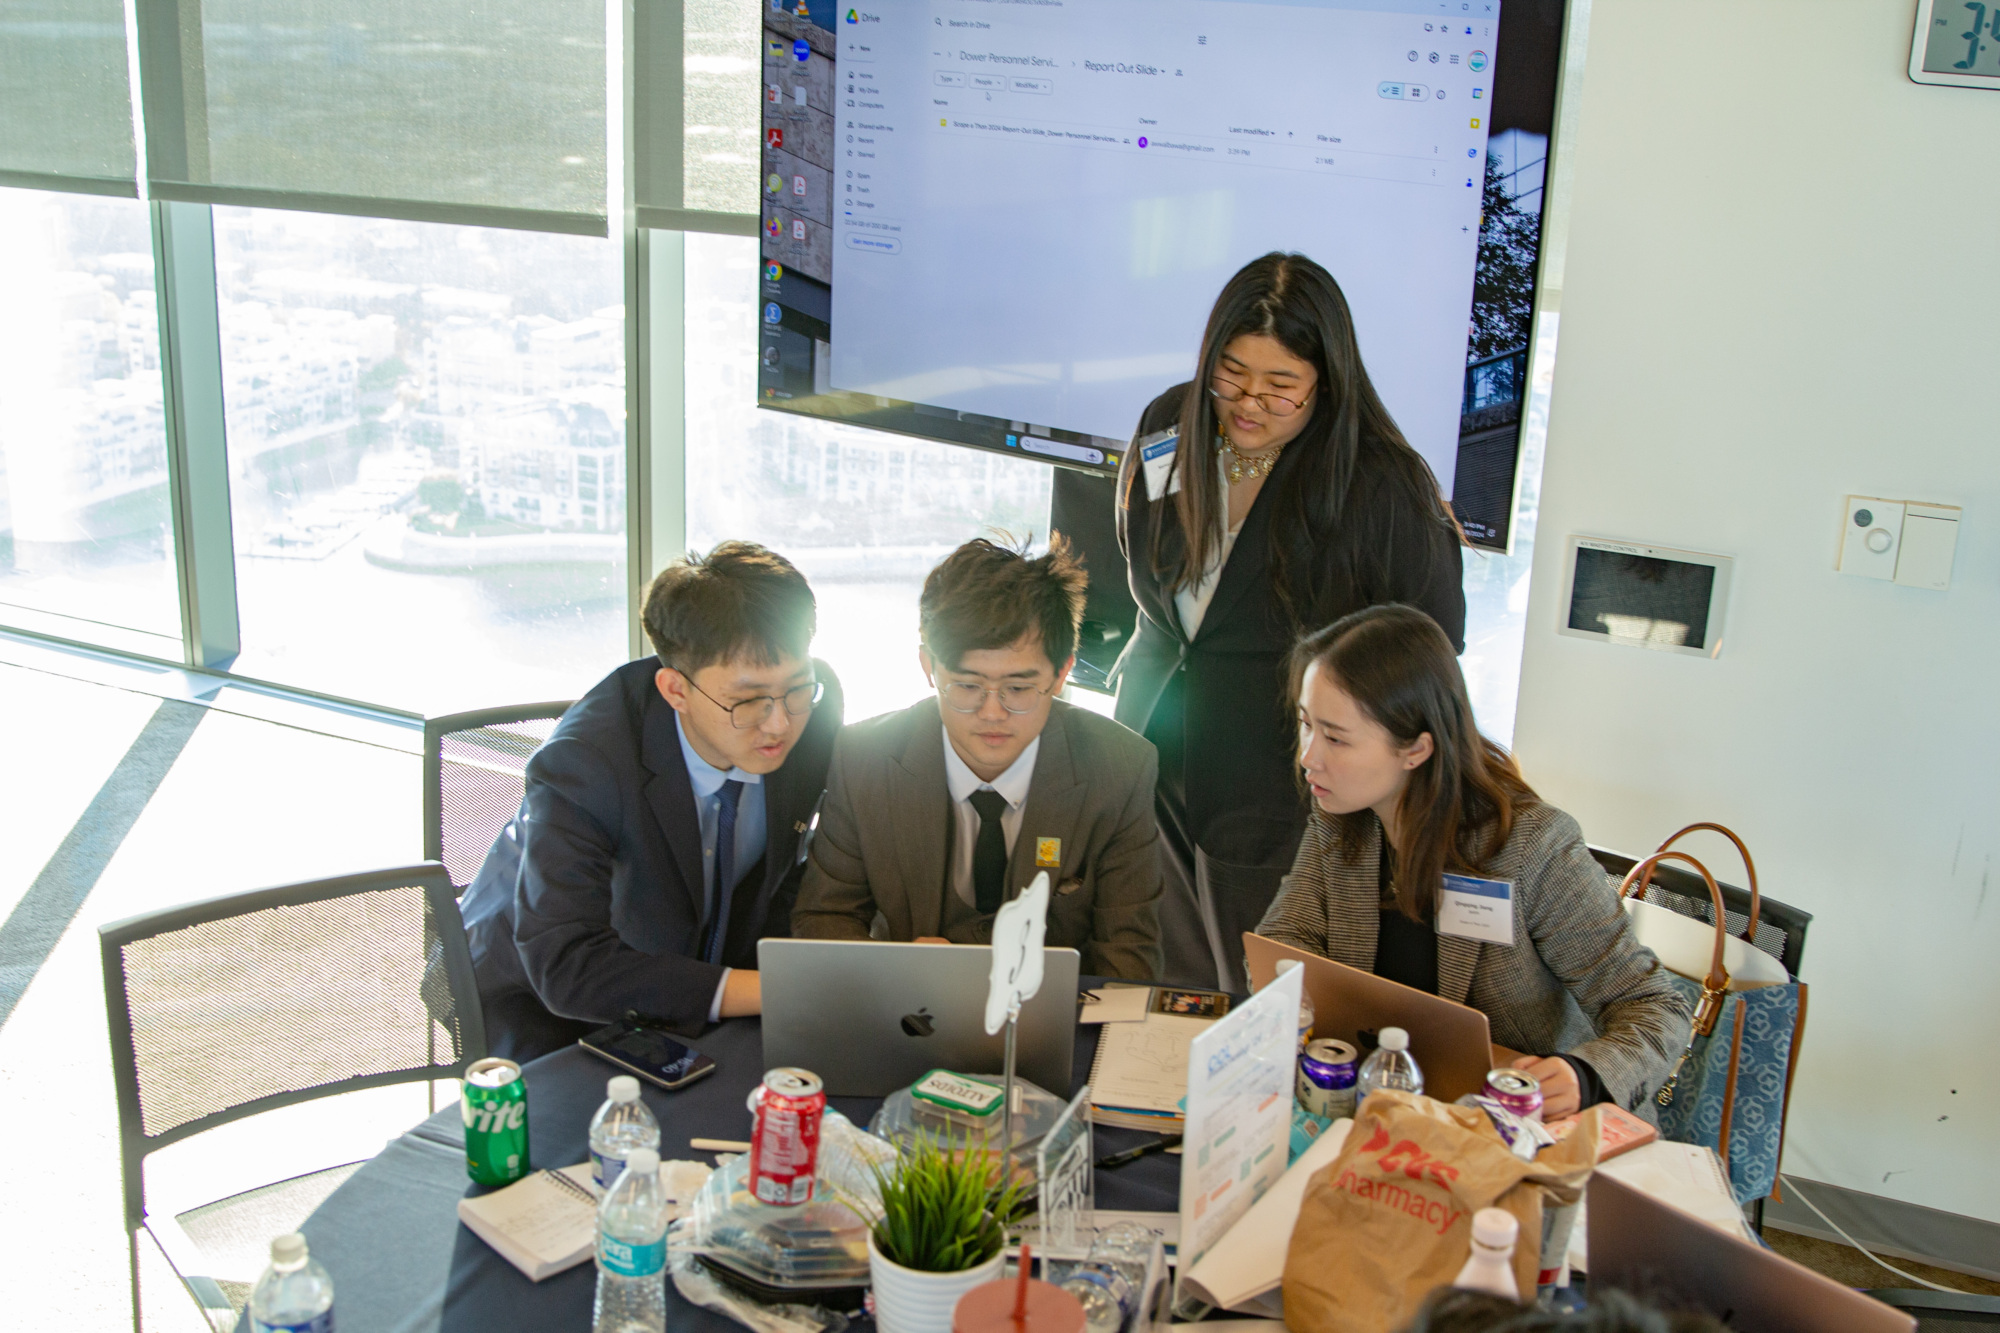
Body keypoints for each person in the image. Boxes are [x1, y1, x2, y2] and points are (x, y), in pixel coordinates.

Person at [1113, 251, 1467, 990]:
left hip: (1275, 778)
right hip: (1152, 744)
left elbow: (1431, 646)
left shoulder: (1380, 484)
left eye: (1281, 389)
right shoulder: (1167, 424)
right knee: (1159, 980)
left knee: (1257, 994)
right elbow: (1147, 569)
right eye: (1232, 374)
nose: (1247, 403)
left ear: (1326, 383)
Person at [1257, 604, 1689, 1119]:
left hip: (1525, 1123)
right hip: (1396, 1107)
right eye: (1306, 725)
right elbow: (1283, 944)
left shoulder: (1531, 846)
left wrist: (1585, 1076)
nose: (1309, 756)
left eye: (1335, 737)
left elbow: (1655, 1008)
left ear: (1415, 749)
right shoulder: (1341, 818)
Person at [460, 542, 843, 1060]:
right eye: (748, 700)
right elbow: (568, 964)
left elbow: (788, 862)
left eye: (796, 689)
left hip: (691, 968)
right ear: (675, 690)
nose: (778, 723)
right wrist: (776, 989)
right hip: (533, 997)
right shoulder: (585, 764)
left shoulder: (812, 710)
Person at [791, 536, 1162, 979]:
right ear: (929, 668)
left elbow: (1129, 961)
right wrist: (897, 970)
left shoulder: (1120, 769)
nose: (992, 713)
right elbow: (821, 922)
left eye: (1019, 689)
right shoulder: (864, 760)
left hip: (1052, 1027)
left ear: (1062, 672)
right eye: (967, 686)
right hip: (909, 1013)